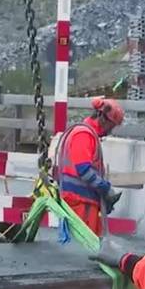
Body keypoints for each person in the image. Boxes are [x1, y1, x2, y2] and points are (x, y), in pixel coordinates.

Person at [54, 96, 124, 236]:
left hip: (82, 202)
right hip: (79, 202)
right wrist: (106, 189)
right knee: (84, 250)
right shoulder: (84, 135)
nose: (111, 131)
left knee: (89, 246)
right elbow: (84, 170)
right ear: (103, 118)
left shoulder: (86, 134)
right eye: (112, 125)